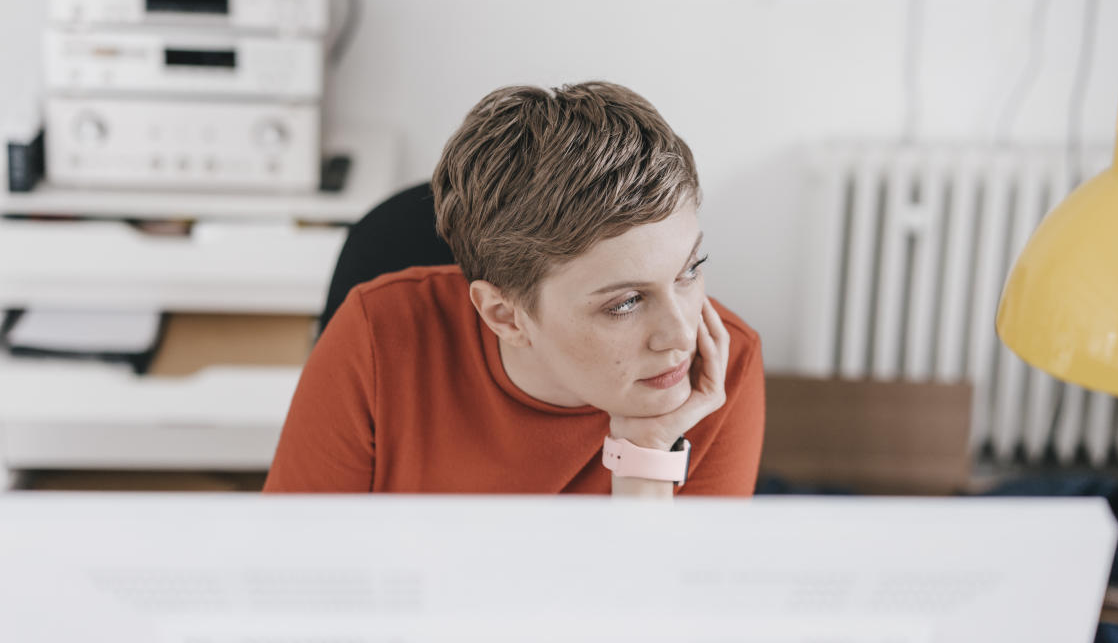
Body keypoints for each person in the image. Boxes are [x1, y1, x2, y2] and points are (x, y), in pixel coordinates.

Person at [263, 81, 765, 496]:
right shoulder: (376, 335)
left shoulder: (722, 367)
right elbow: (296, 577)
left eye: (690, 269)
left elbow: (657, 615)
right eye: (626, 302)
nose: (680, 334)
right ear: (505, 316)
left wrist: (646, 455)